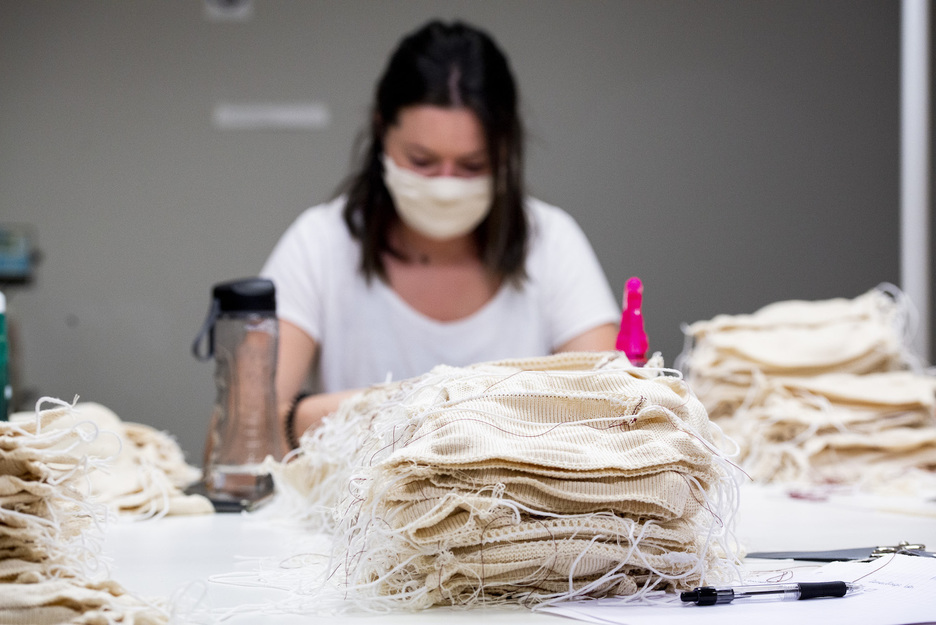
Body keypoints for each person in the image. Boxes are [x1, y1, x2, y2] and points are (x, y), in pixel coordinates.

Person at [261, 20, 620, 448]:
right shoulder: (319, 245)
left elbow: (613, 417)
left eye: (472, 166)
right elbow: (233, 442)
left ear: (506, 150)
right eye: (422, 161)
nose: (446, 186)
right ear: (381, 132)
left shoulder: (551, 243)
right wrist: (408, 408)